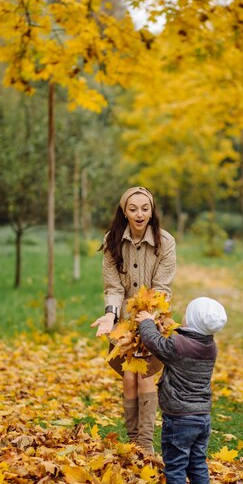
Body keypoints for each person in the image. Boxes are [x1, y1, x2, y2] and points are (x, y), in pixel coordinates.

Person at [91, 186, 176, 453]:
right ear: (124, 212)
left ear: (151, 212)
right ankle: (133, 442)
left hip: (154, 317)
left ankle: (146, 445)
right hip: (125, 323)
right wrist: (110, 314)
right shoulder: (111, 241)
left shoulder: (166, 242)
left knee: (145, 375)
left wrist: (148, 318)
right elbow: (114, 288)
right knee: (129, 377)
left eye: (145, 208)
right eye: (133, 209)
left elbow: (162, 286)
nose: (139, 214)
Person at [135, 296, 227, 484]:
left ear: (193, 321)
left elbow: (154, 343)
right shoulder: (210, 347)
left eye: (187, 314)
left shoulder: (179, 346)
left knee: (175, 464)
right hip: (202, 417)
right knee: (197, 461)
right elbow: (173, 343)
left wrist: (146, 321)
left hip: (179, 418)